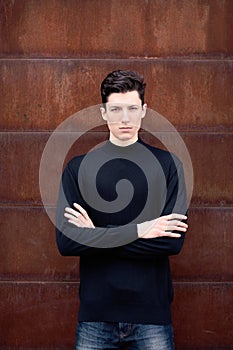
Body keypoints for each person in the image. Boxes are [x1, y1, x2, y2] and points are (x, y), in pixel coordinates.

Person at [56, 70, 188, 350]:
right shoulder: (79, 169)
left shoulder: (168, 166)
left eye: (132, 109)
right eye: (116, 109)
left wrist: (96, 235)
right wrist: (141, 230)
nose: (125, 118)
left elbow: (171, 242)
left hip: (151, 316)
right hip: (96, 316)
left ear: (144, 111)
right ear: (104, 113)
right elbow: (67, 242)